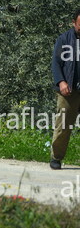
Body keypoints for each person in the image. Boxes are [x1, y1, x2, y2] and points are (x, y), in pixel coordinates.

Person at [50, 9, 80, 170]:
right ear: (74, 23)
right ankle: (56, 157)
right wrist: (61, 82)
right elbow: (56, 63)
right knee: (63, 125)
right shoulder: (64, 39)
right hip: (68, 90)